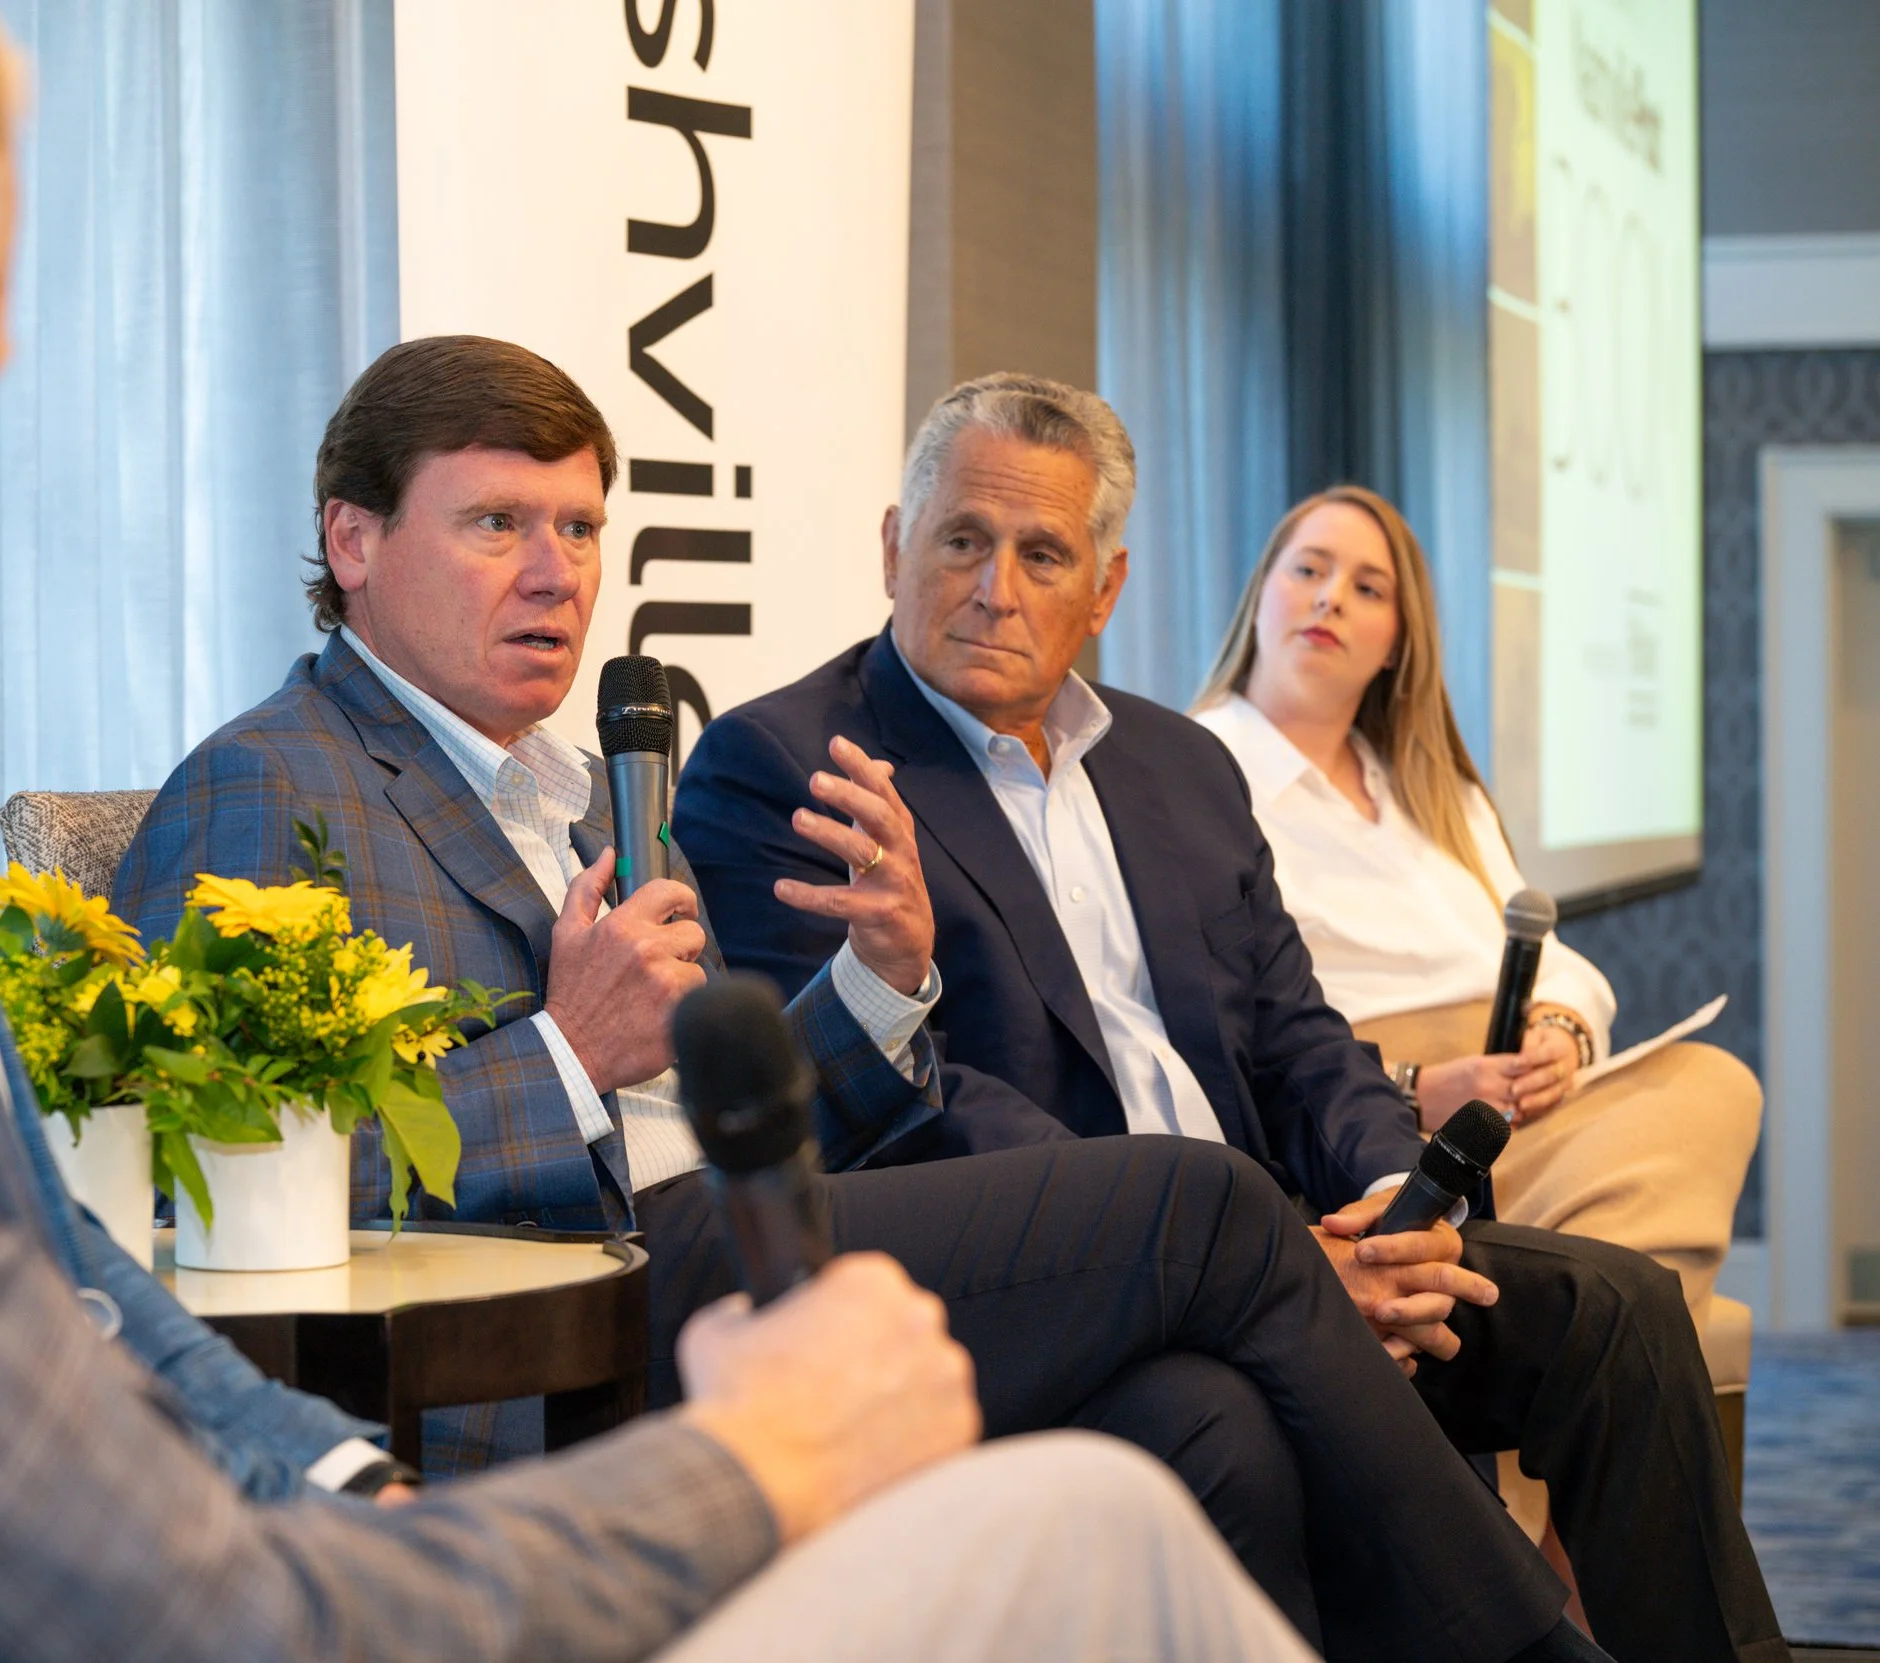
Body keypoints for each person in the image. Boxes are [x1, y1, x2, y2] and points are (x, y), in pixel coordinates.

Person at [0, 4, 1330, 1659]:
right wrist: (763, 1460)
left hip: (364, 1474)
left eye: (579, 527)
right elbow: (200, 1574)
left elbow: (64, 1254)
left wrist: (315, 1460)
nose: (553, 572)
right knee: (1122, 1473)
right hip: (464, 1490)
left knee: (1142, 1477)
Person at [119, 335, 1613, 1663]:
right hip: (596, 1308)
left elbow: (713, 1101)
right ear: (354, 537)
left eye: (579, 525)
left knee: (1200, 1425)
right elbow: (211, 1191)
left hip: (741, 1232)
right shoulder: (272, 784)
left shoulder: (565, 793)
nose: (557, 571)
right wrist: (566, 1055)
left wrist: (879, 987)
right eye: (497, 522)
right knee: (1213, 1210)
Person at [671, 372, 1789, 1663]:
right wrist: (1280, 1253)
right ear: (892, 545)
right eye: (962, 540)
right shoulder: (791, 762)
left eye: (1043, 554)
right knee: (1231, 1422)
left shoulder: (1179, 765)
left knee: (1621, 1309)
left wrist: (1391, 1206)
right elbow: (905, 1110)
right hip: (1087, 1282)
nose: (995, 588)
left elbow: (1299, 1034)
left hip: (1308, 1235)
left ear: (1108, 587)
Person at [1187, 483, 1764, 1553]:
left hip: (1515, 1096)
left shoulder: (1431, 783)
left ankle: (1534, 1544)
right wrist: (1414, 1084)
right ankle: (1559, 1549)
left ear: (1397, 638)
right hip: (1373, 1109)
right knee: (1667, 1180)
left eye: (1368, 586)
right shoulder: (1193, 769)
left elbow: (1559, 953)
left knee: (1713, 1083)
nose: (1330, 599)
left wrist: (1560, 1030)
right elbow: (1240, 1025)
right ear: (1259, 594)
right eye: (1307, 568)